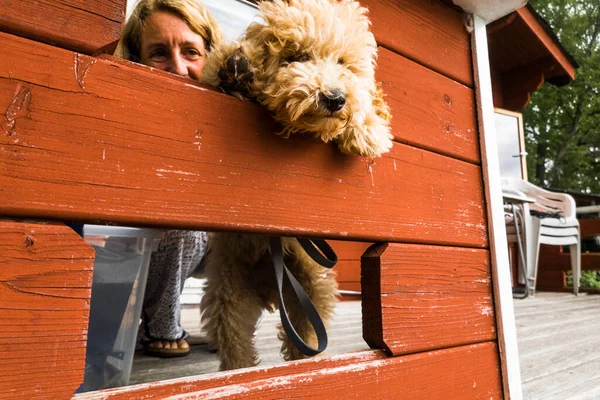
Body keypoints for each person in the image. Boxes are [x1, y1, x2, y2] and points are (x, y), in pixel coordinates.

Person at [114, 0, 224, 357]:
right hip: (126, 255)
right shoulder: (121, 109)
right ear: (135, 59)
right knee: (182, 222)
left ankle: (233, 324)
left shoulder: (225, 111)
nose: (178, 69)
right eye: (158, 53)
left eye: (191, 51)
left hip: (201, 248)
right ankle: (160, 322)